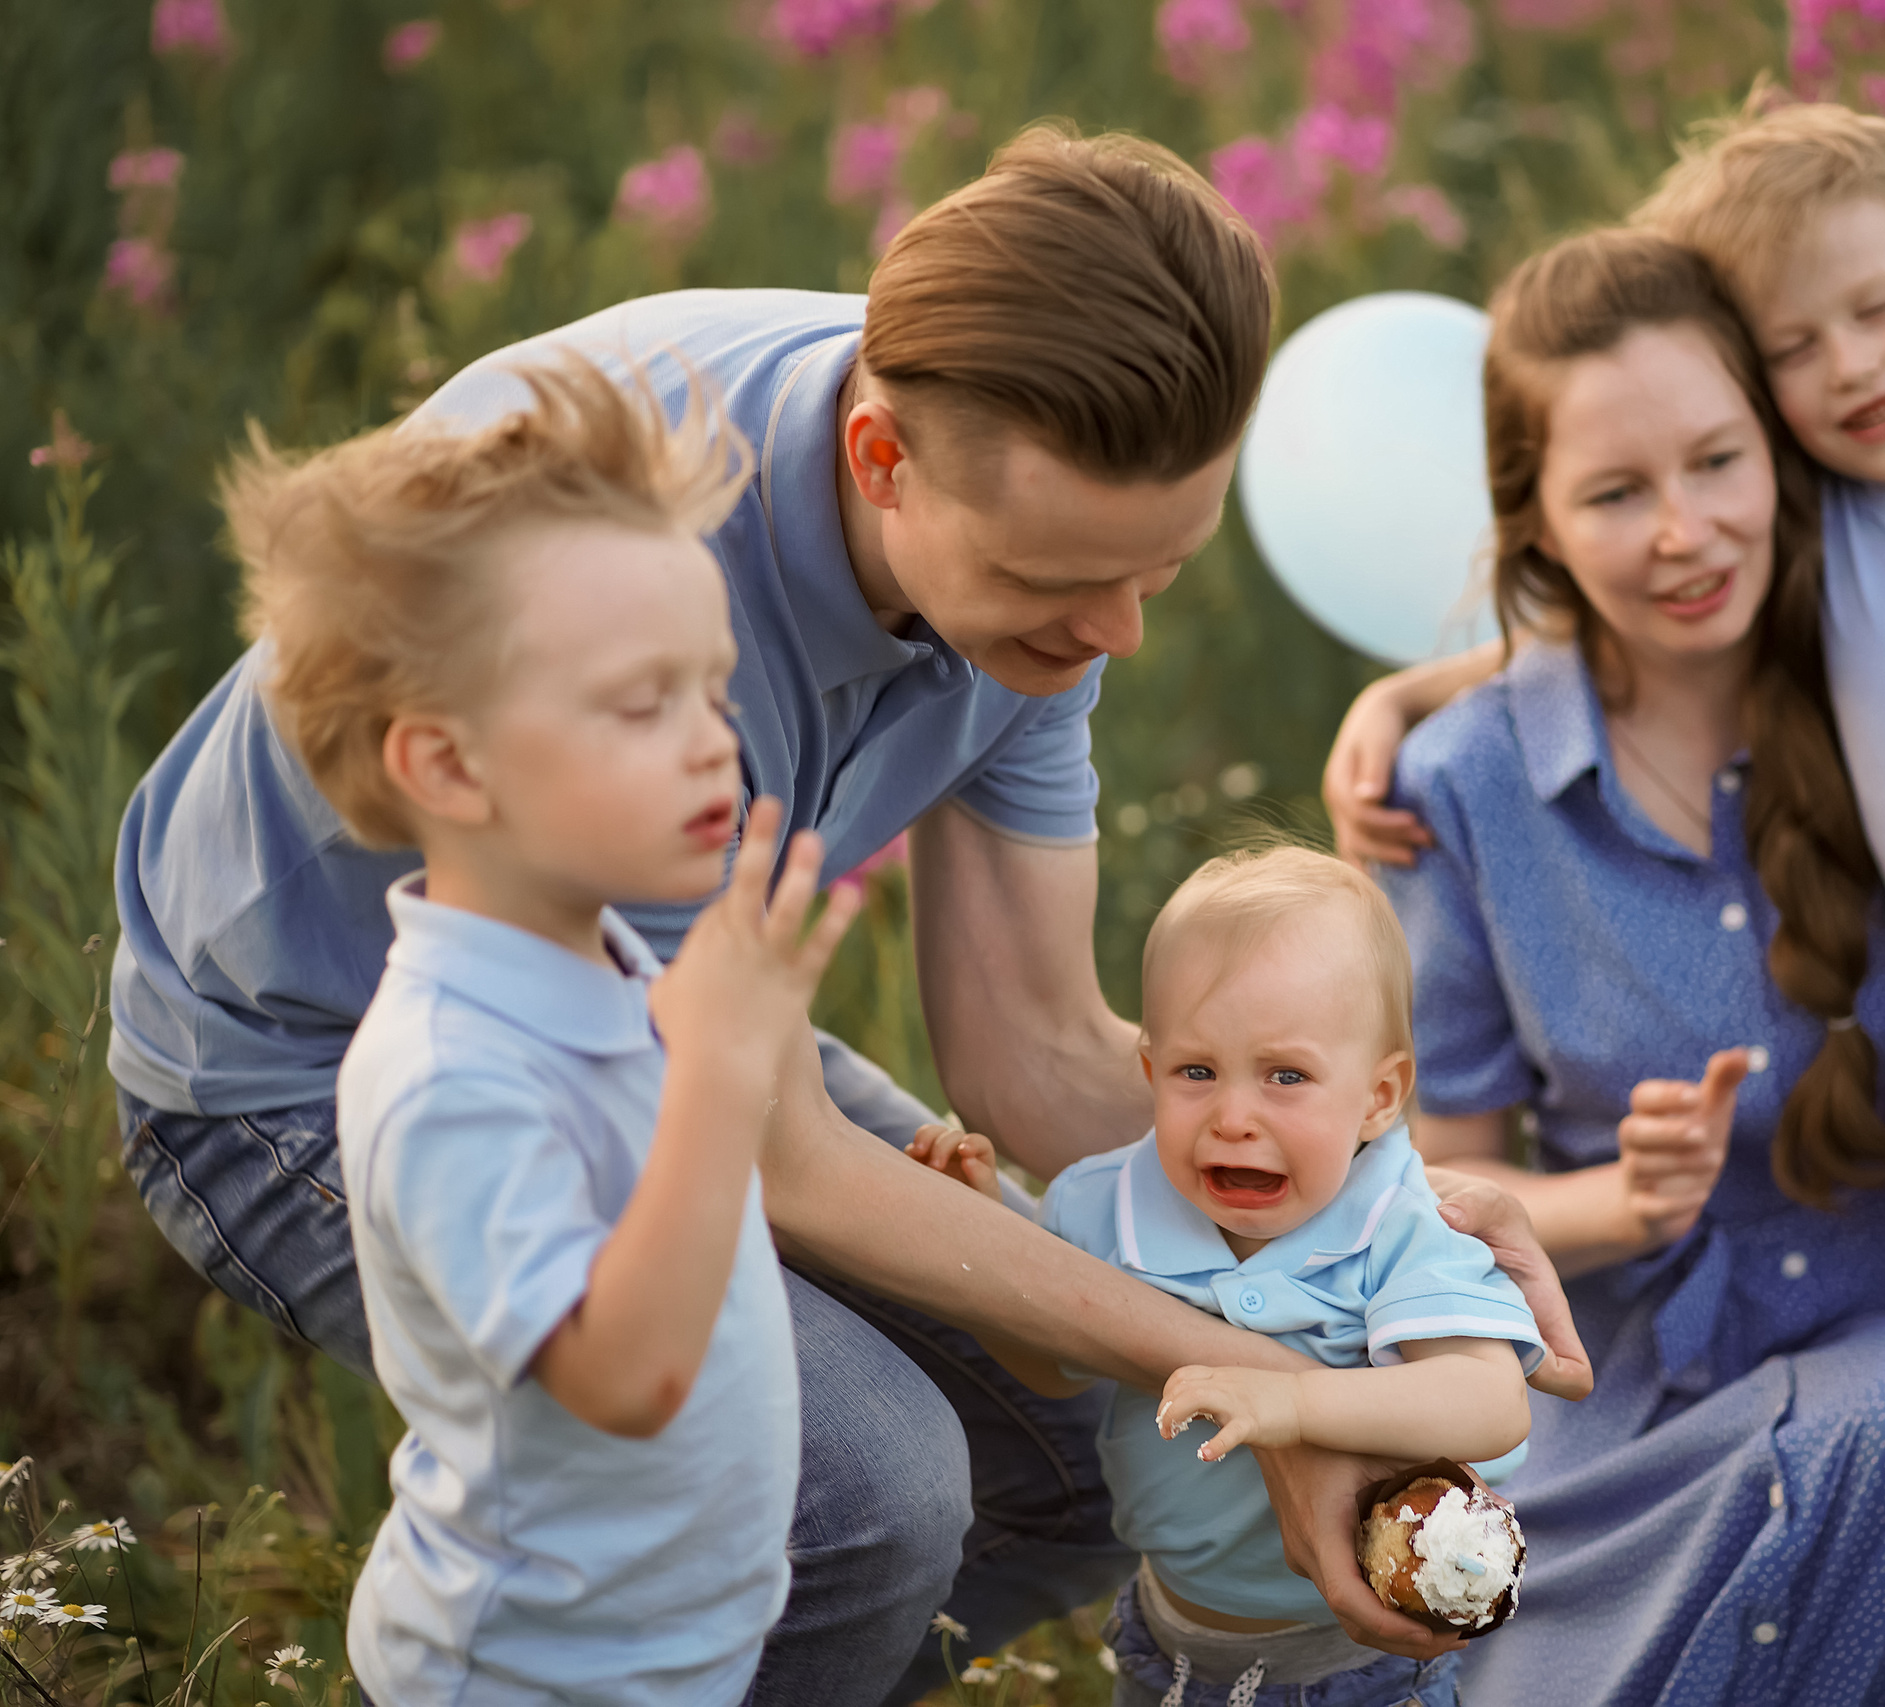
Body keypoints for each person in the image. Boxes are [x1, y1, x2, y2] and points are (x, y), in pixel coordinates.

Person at [111, 124, 1568, 1705]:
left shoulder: (1023, 528)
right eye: (1059, 578)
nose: (1115, 635)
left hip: (660, 1022)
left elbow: (1031, 1047)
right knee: (864, 1496)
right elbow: (776, 1148)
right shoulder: (649, 638)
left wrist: (1359, 1208)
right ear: (881, 461)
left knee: (1089, 1456)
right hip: (305, 1063)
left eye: (1161, 566)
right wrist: (1273, 1377)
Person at [1353, 225, 1885, 1706]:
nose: (1683, 530)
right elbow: (1441, 1198)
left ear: (1778, 454)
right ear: (1540, 519)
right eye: (1618, 492)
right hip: (1629, 1405)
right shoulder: (1465, 782)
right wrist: (1620, 1202)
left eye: (1715, 463)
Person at [228, 358, 856, 1700]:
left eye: (717, 690)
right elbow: (620, 1373)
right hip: (532, 1668)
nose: (713, 745)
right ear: (449, 765)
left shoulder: (600, 953)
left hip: (665, 1649)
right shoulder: (447, 1073)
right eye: (644, 704)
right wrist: (721, 1073)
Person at [911, 846, 1553, 1707]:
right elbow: (1053, 1365)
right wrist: (991, 1234)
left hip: (1355, 1666)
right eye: (1197, 1071)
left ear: (1378, 1095)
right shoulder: (1107, 1202)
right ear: (1149, 1071)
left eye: (1286, 1075)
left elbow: (1491, 1399)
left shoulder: (1402, 1225)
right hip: (1165, 1643)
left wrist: (1295, 1403)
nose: (1234, 1116)